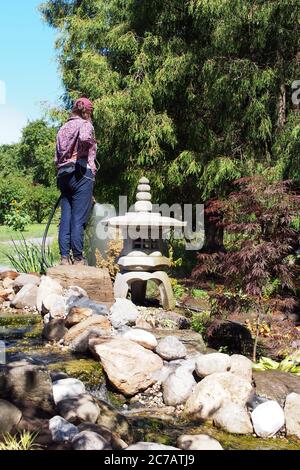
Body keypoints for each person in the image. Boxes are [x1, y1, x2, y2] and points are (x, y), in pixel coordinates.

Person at [55, 97, 97, 266]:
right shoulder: (85, 124)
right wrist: (91, 143)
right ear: (86, 111)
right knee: (79, 218)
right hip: (81, 173)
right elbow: (85, 138)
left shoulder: (62, 128)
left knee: (66, 216)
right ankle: (79, 258)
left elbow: (56, 158)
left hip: (63, 175)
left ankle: (64, 257)